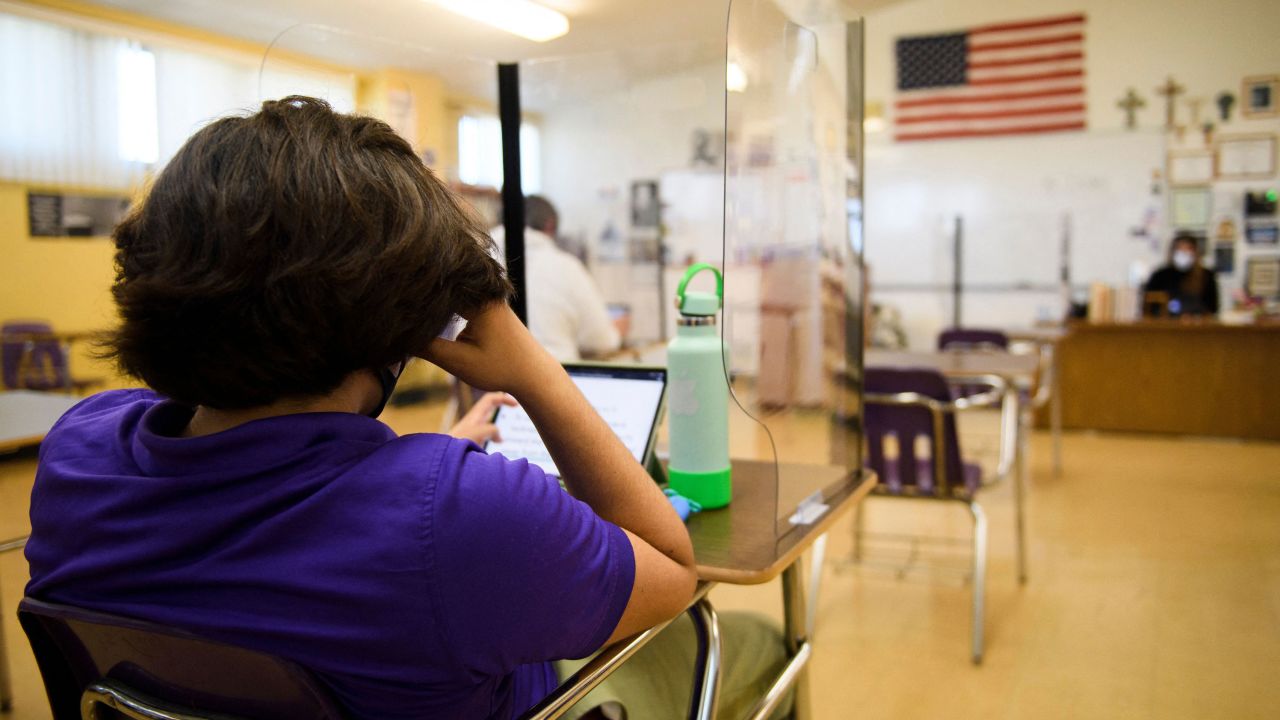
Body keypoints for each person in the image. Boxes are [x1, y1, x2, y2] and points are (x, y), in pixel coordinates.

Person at [23, 97, 699, 719]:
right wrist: (531, 370)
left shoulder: (77, 454)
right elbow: (671, 570)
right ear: (403, 321)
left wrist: (429, 472)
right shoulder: (455, 518)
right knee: (735, 643)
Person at [490, 196, 625, 360]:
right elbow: (600, 341)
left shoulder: (480, 260)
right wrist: (617, 330)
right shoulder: (566, 267)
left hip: (486, 381)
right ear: (550, 225)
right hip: (553, 376)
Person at [1143, 234, 1220, 317]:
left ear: (1195, 252)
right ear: (1173, 251)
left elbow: (1213, 308)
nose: (1183, 252)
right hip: (1165, 325)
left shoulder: (1206, 276)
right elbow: (1148, 305)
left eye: (1188, 249)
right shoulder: (1160, 276)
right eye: (1180, 248)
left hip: (1197, 325)